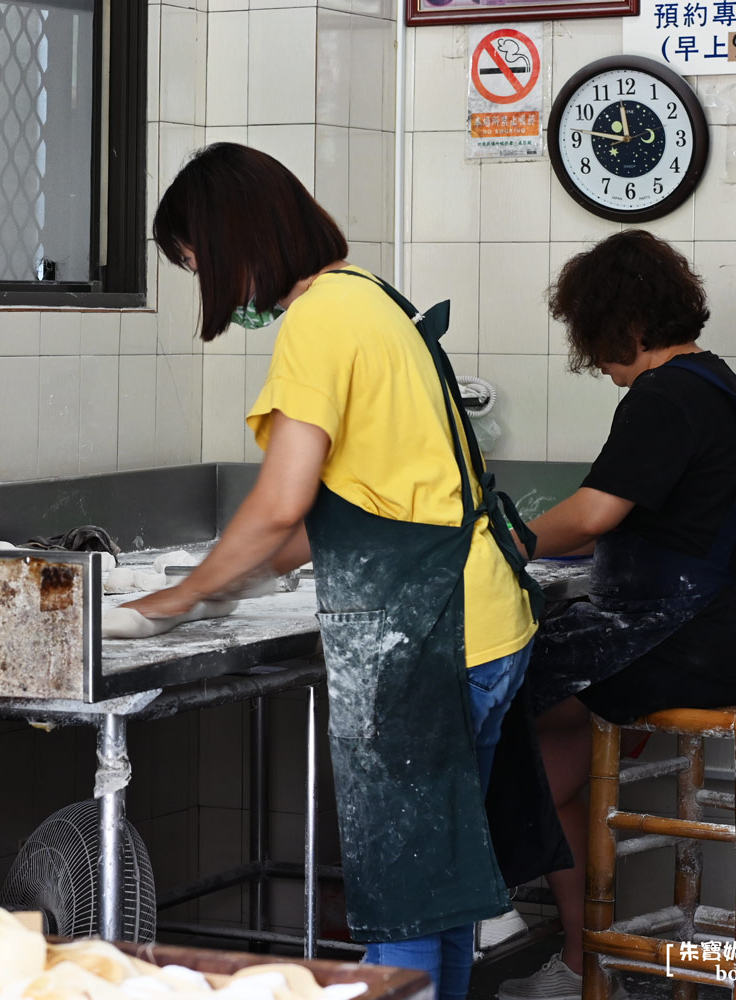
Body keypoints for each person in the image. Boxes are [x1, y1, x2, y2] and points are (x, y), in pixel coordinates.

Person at [125, 142, 541, 1000]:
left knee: (408, 898)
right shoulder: (373, 300)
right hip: (482, 621)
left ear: (236, 241)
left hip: (428, 636)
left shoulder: (317, 320)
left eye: (199, 262)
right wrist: (239, 579)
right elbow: (350, 502)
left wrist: (180, 597)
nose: (213, 286)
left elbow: (281, 502)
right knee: (442, 889)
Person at [495, 231, 736, 1000]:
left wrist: (502, 540)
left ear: (624, 325)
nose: (594, 360)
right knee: (546, 765)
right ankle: (581, 954)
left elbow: (594, 514)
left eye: (593, 339)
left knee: (488, 689)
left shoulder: (665, 395)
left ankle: (480, 905)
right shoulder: (720, 385)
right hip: (728, 634)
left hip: (679, 638)